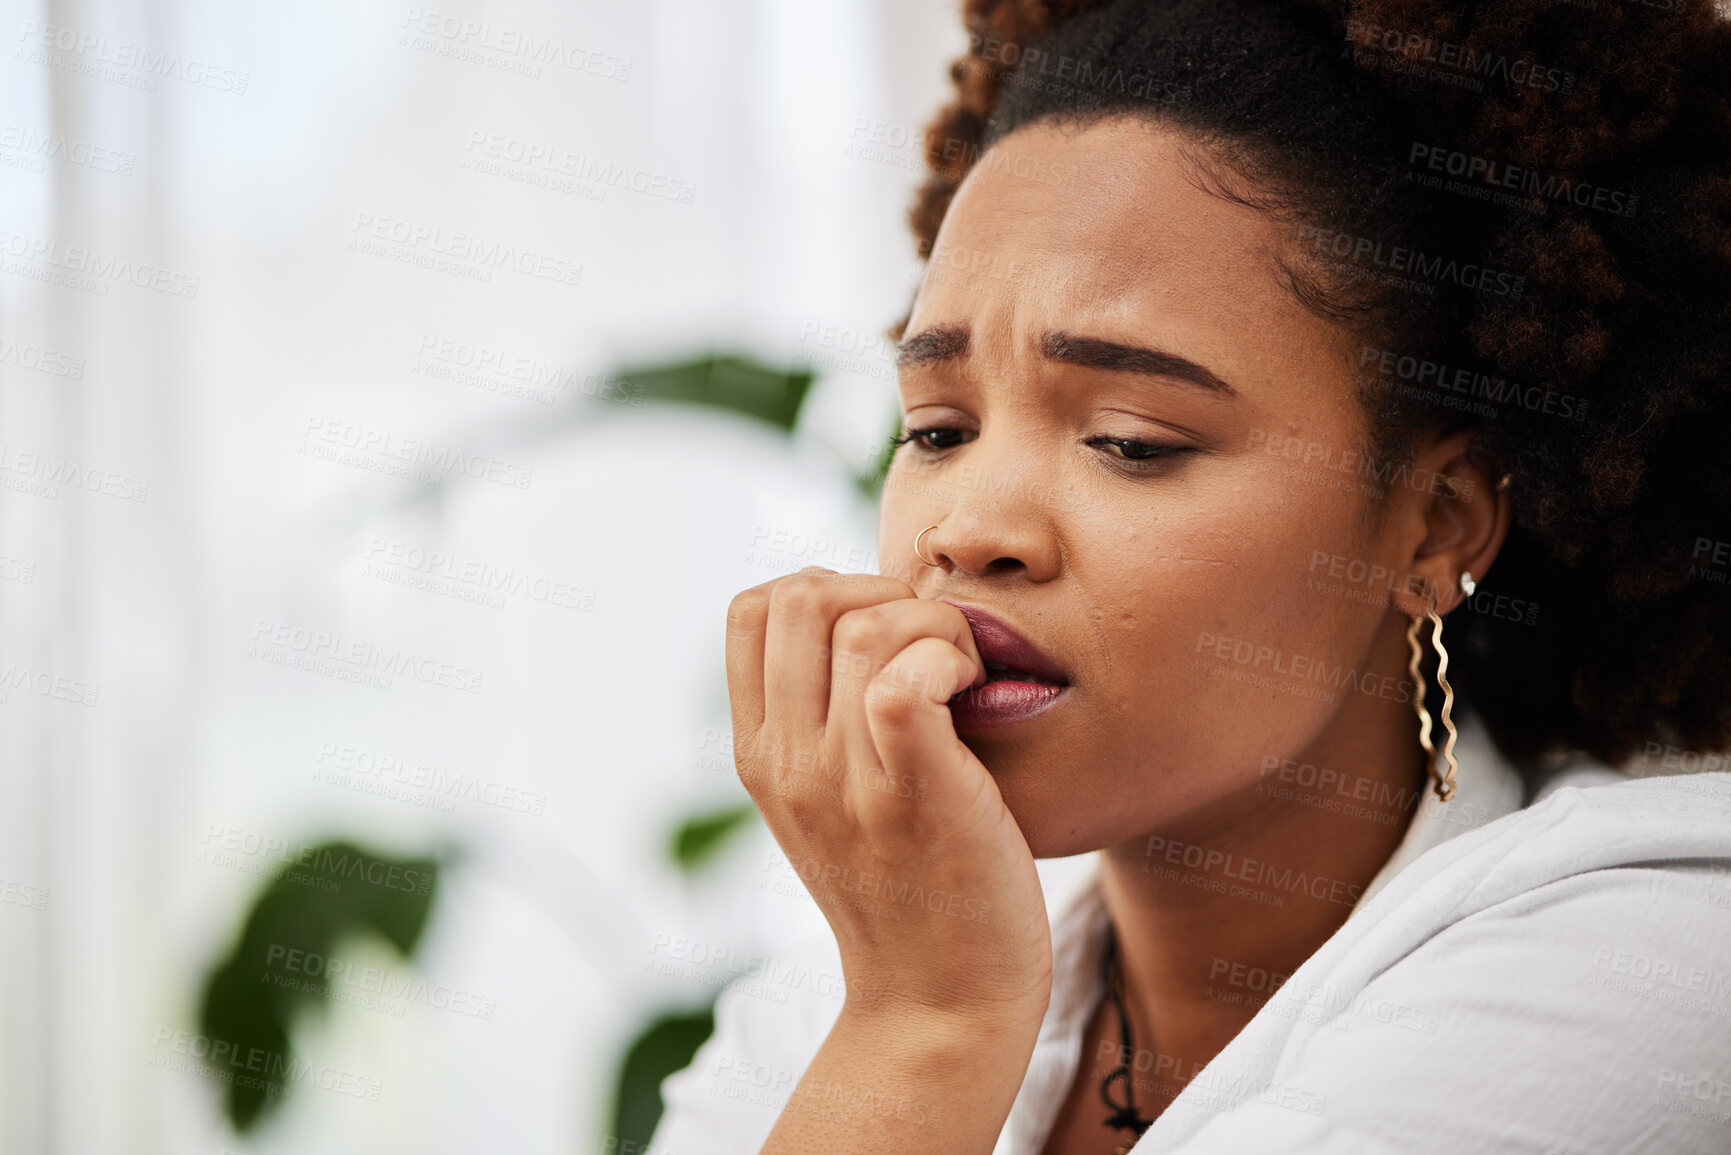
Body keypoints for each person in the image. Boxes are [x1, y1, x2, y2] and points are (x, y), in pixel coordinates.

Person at [655, 0, 1731, 1151]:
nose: (969, 531)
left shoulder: (1656, 950)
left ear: (1434, 525)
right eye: (936, 431)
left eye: (1131, 440)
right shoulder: (819, 1013)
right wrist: (908, 1010)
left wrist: (931, 1028)